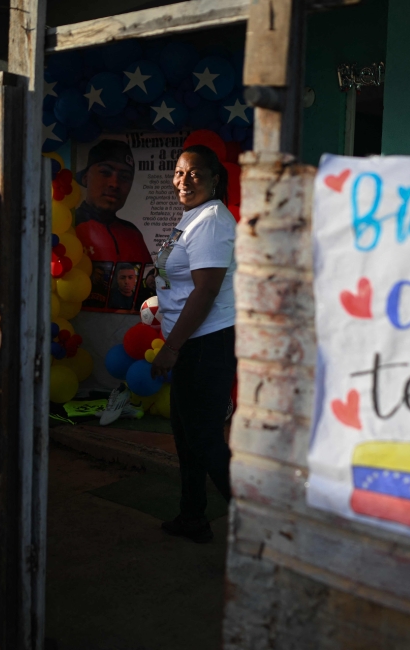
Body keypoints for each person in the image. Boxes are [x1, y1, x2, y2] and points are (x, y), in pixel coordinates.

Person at [150, 145, 237, 544]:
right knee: (187, 436)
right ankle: (192, 516)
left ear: (215, 179)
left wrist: (172, 348)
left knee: (204, 440)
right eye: (180, 173)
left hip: (206, 344)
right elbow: (184, 283)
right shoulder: (193, 218)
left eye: (196, 174)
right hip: (192, 343)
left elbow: (206, 291)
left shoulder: (213, 220)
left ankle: (266, 530)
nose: (184, 181)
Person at [74, 140, 153, 310]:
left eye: (124, 177)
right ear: (86, 177)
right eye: (105, 172)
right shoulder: (67, 227)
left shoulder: (134, 235)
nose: (114, 184)